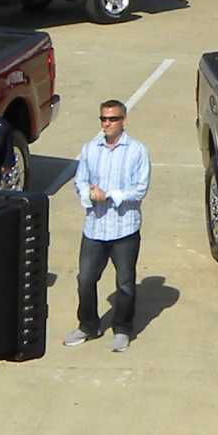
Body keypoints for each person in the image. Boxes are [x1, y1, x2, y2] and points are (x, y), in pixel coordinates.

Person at [67, 98, 150, 353]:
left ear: (123, 120)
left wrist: (111, 194)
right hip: (95, 227)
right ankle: (88, 325)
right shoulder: (91, 149)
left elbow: (140, 188)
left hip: (124, 228)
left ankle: (122, 328)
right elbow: (79, 180)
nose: (107, 123)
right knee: (85, 278)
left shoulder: (137, 150)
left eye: (113, 119)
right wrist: (87, 193)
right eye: (103, 119)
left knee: (125, 282)